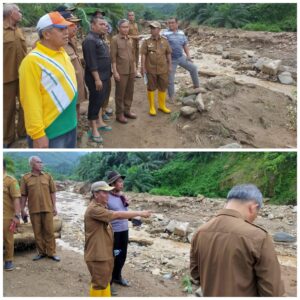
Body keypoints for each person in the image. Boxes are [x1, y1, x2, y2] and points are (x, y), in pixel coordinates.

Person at [190, 184, 285, 297]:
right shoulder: (259, 237)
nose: (254, 218)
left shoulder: (200, 232)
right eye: (256, 213)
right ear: (253, 207)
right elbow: (272, 291)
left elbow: (196, 274)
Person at [19, 12, 78, 148]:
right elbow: (30, 101)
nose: (66, 32)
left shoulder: (61, 52)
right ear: (46, 34)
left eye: (66, 28)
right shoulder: (32, 61)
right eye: (61, 29)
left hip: (71, 125)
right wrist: (38, 134)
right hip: (52, 132)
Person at [84, 181, 151, 297]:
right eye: (104, 192)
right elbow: (116, 215)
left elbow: (118, 212)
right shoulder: (94, 209)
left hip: (104, 252)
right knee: (99, 283)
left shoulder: (101, 206)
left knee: (105, 280)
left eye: (108, 192)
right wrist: (139, 213)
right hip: (97, 254)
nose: (108, 195)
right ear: (96, 194)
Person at [20, 156, 60, 262]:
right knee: (37, 232)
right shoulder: (25, 178)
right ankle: (41, 252)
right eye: (38, 162)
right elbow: (23, 195)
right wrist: (22, 209)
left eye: (41, 162)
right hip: (34, 209)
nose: (41, 164)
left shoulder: (48, 176)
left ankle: (52, 253)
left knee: (49, 231)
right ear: (32, 164)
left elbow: (52, 192)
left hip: (47, 208)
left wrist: (54, 206)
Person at [82, 17, 112, 144]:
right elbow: (91, 62)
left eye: (105, 24)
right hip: (96, 78)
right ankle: (93, 128)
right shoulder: (89, 40)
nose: (105, 26)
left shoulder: (99, 38)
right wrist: (97, 79)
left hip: (104, 76)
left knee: (100, 100)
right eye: (101, 24)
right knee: (95, 101)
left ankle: (99, 122)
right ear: (93, 25)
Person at [3, 3, 27, 148]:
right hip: (6, 77)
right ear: (11, 13)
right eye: (19, 11)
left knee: (26, 105)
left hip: (23, 76)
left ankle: (23, 132)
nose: (21, 13)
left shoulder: (19, 31)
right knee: (7, 109)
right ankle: (7, 138)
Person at [162, 17, 200, 103]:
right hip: (171, 60)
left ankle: (197, 87)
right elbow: (162, 48)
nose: (171, 24)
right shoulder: (165, 34)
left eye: (172, 23)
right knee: (170, 79)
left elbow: (185, 44)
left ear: (177, 24)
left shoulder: (181, 33)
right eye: (169, 23)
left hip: (181, 57)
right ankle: (171, 97)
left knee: (193, 68)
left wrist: (188, 56)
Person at [60, 11, 87, 121]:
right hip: (66, 88)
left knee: (77, 106)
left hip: (76, 84)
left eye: (76, 24)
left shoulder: (72, 40)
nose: (75, 27)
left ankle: (76, 128)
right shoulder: (58, 44)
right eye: (72, 24)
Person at [141, 21, 172, 116]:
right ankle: (152, 107)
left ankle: (162, 106)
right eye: (151, 28)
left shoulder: (165, 40)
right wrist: (142, 67)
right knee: (151, 87)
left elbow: (168, 53)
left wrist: (170, 65)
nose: (152, 30)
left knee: (163, 86)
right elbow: (143, 55)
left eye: (154, 28)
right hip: (151, 68)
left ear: (159, 29)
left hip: (163, 68)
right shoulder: (146, 41)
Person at [107, 171, 130, 288]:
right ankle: (108, 280)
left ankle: (117, 276)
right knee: (113, 255)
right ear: (112, 183)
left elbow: (125, 212)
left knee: (122, 255)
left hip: (124, 230)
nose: (122, 183)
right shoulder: (106, 197)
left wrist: (134, 218)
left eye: (122, 181)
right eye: (119, 181)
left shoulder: (121, 196)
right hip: (113, 232)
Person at [111, 19, 137, 124]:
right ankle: (119, 114)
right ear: (119, 28)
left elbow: (133, 55)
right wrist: (115, 72)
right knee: (120, 94)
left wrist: (135, 69)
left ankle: (127, 111)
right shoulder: (114, 39)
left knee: (129, 92)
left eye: (127, 27)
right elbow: (113, 57)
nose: (126, 29)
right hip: (121, 71)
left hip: (131, 70)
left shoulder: (130, 39)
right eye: (123, 27)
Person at [3, 159, 21, 271]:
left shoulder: (11, 181)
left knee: (8, 239)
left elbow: (16, 199)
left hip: (6, 216)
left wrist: (17, 215)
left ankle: (8, 261)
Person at [127, 11, 141, 78]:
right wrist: (135, 37)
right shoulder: (126, 25)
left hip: (137, 44)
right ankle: (133, 72)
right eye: (130, 15)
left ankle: (136, 71)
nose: (131, 16)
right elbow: (126, 35)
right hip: (130, 44)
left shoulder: (136, 24)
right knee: (132, 58)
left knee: (137, 57)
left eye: (132, 15)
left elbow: (137, 33)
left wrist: (139, 37)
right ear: (128, 16)